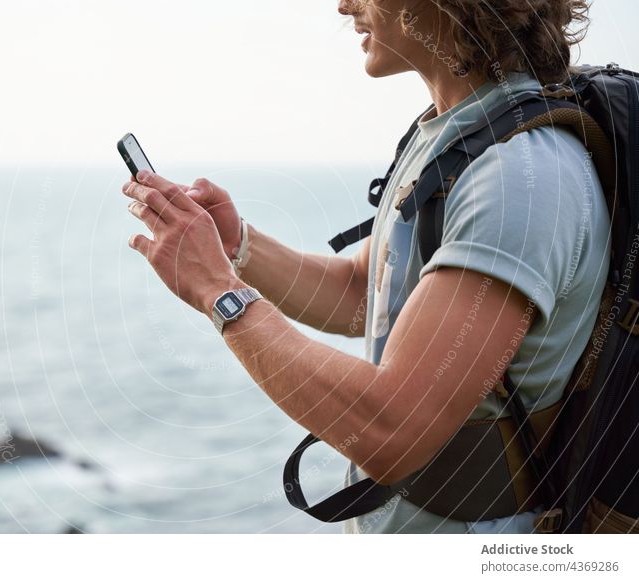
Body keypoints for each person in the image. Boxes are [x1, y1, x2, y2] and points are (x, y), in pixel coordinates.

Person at [121, 0, 609, 534]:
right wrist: (238, 247)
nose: (344, 5)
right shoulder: (464, 133)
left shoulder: (519, 176)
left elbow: (389, 430)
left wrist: (219, 291)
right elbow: (364, 294)